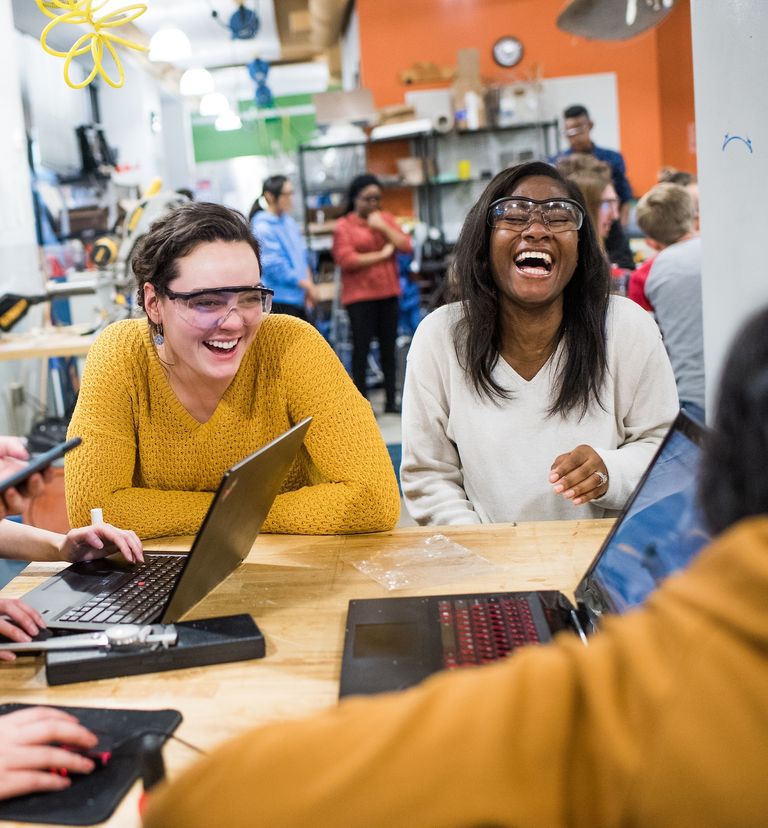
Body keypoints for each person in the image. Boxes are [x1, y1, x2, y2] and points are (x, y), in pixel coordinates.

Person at [142, 305, 768, 828]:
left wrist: (235, 511)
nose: (233, 315)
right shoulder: (443, 335)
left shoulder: (653, 702)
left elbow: (366, 494)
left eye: (251, 290)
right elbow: (420, 479)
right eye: (204, 297)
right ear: (153, 303)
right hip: (489, 573)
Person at [65, 202, 401, 539]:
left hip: (295, 574)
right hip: (161, 583)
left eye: (250, 297)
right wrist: (240, 511)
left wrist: (209, 515)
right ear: (153, 303)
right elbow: (93, 511)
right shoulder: (122, 355)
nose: (235, 322)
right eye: (208, 301)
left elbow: (372, 499)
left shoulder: (291, 346)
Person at [400, 161, 677, 526]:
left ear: (580, 248)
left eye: (558, 216)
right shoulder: (440, 337)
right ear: (483, 241)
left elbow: (666, 451)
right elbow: (429, 475)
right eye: (514, 215)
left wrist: (610, 470)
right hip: (487, 571)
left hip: (600, 569)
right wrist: (486, 557)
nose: (536, 230)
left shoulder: (626, 327)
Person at [332, 174, 413, 414]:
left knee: (389, 349)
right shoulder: (344, 226)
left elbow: (406, 245)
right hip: (360, 298)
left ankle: (391, 400)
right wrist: (381, 255)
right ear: (355, 198)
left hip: (388, 293)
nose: (373, 203)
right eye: (368, 199)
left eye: (377, 198)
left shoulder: (385, 219)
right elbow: (346, 260)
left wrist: (382, 227)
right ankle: (361, 404)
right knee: (361, 349)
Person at [634, 182, 704, 420]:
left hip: (689, 398)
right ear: (694, 217)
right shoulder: (724, 251)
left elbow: (642, 346)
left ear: (651, 241)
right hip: (743, 390)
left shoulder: (646, 274)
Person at [249, 175, 317, 320]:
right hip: (280, 300)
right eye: (286, 194)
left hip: (299, 296)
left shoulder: (289, 222)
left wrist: (308, 285)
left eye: (291, 193)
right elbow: (276, 268)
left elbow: (302, 257)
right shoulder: (262, 227)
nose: (290, 198)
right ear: (270, 196)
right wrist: (307, 285)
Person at [555, 153, 634, 273]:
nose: (615, 216)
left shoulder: (611, 228)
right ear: (586, 206)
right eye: (607, 204)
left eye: (615, 202)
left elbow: (626, 266)